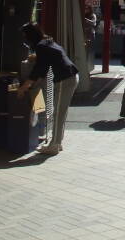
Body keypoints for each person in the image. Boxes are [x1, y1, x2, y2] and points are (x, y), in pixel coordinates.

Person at [17, 23, 79, 155]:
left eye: (25, 36)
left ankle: (54, 145)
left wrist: (24, 87)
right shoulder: (48, 41)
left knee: (58, 113)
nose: (25, 39)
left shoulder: (41, 46)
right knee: (61, 112)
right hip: (71, 76)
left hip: (64, 79)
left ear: (30, 35)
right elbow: (43, 68)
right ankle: (57, 142)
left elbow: (38, 70)